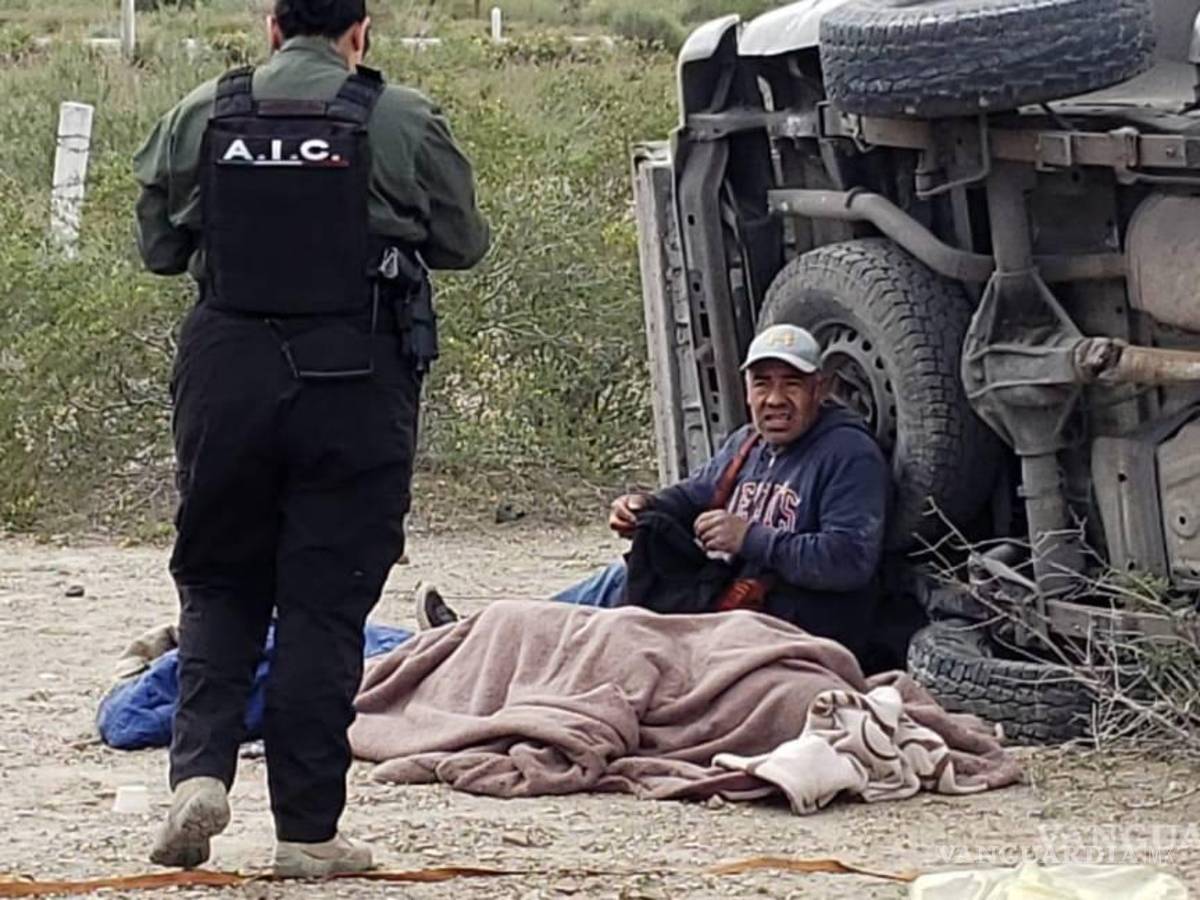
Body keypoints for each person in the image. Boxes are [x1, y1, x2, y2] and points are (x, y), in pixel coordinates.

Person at [133, 0, 488, 877]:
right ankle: (307, 833)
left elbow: (157, 248)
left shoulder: (201, 112)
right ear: (359, 33)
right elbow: (463, 241)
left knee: (218, 581)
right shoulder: (399, 116)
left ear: (271, 27)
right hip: (354, 378)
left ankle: (200, 773)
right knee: (325, 604)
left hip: (226, 373)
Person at [417, 324, 891, 664]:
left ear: (821, 388)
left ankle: (471, 643)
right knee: (618, 579)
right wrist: (644, 505)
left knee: (604, 633)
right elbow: (693, 494)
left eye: (792, 385)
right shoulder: (749, 442)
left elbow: (849, 560)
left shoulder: (848, 454)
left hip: (776, 623)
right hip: (722, 600)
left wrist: (751, 537)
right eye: (762, 383)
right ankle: (475, 637)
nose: (774, 399)